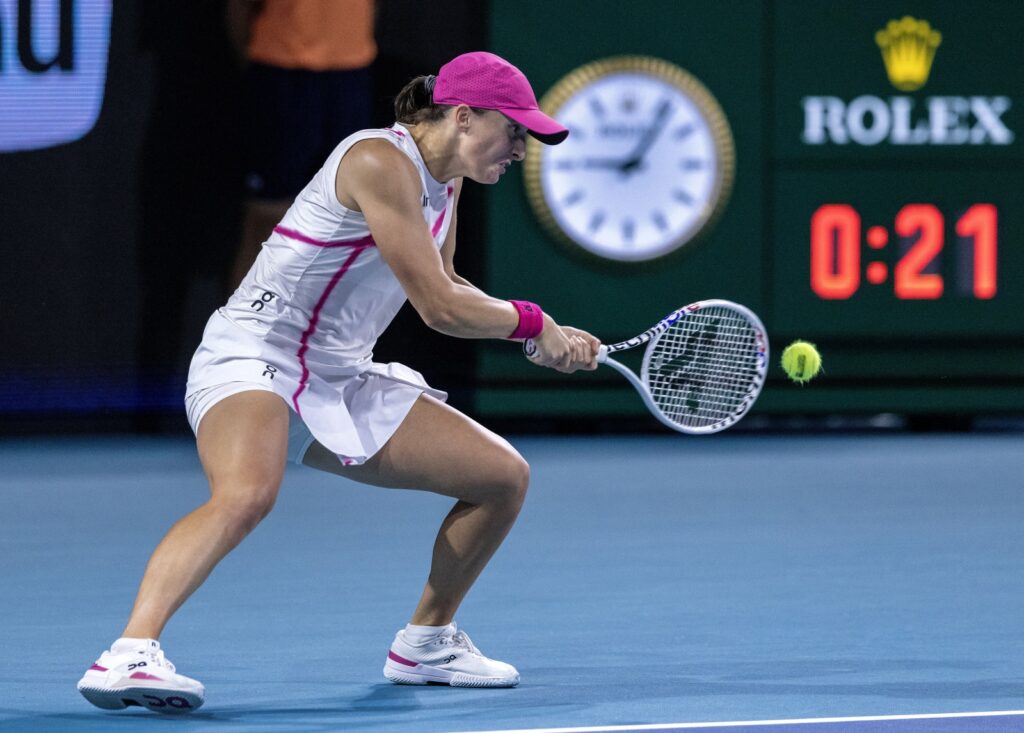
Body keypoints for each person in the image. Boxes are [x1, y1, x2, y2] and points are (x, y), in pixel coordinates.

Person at [77, 51, 600, 714]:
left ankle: (426, 642)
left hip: (338, 371)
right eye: (515, 130)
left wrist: (540, 334)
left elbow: (447, 281)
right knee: (246, 494)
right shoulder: (377, 160)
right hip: (254, 353)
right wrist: (530, 321)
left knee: (502, 478)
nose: (522, 149)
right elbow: (438, 307)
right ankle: (128, 653)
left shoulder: (447, 180)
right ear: (465, 116)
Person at [226, 0, 378, 289]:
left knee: (346, 223)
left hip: (351, 70)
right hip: (281, 66)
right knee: (268, 219)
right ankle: (243, 318)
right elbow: (239, 8)